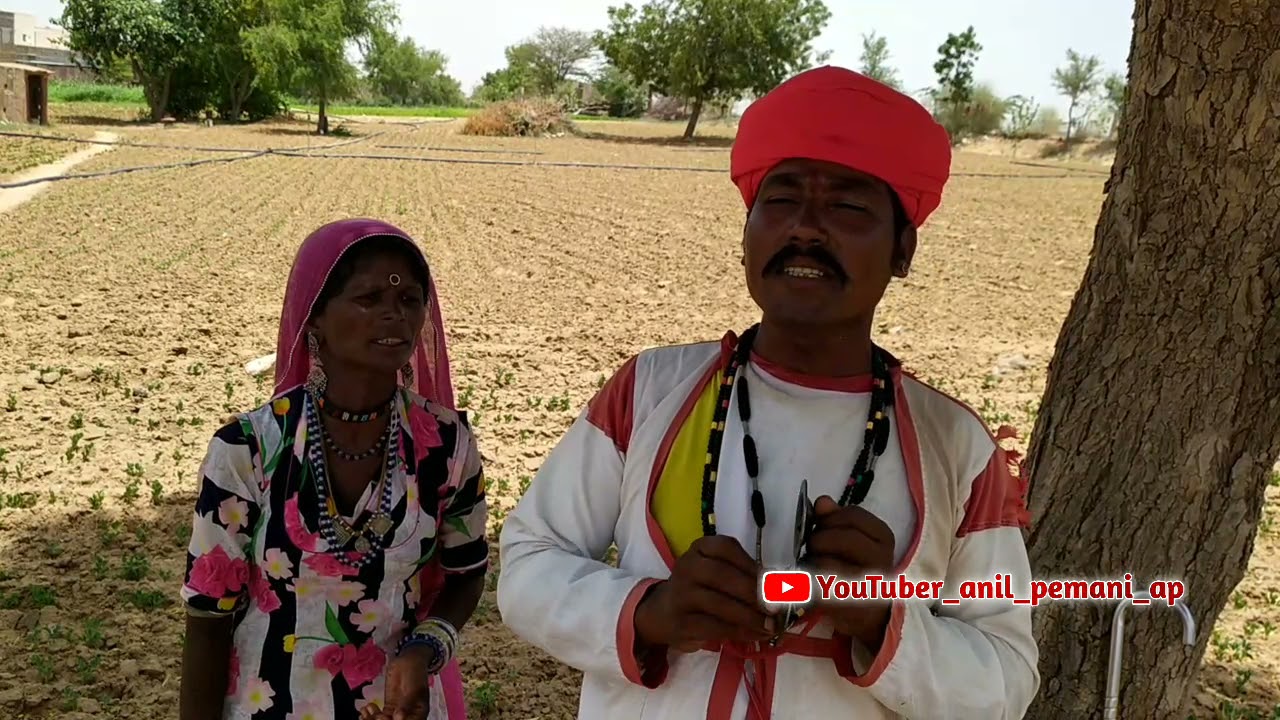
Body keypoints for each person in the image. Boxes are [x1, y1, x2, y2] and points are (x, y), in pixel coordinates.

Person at [495, 66, 1040, 719]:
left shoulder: (957, 447)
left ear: (902, 249)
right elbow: (529, 562)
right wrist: (651, 612)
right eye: (781, 200)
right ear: (747, 233)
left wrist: (879, 623)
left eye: (846, 206)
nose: (806, 229)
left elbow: (1007, 677)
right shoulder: (649, 390)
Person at [178, 218, 489, 720]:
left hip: (397, 709)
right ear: (315, 317)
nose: (395, 315)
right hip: (266, 704)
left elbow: (466, 573)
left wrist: (424, 649)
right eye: (369, 299)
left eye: (410, 300)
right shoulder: (248, 449)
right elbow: (207, 619)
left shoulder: (446, 444)